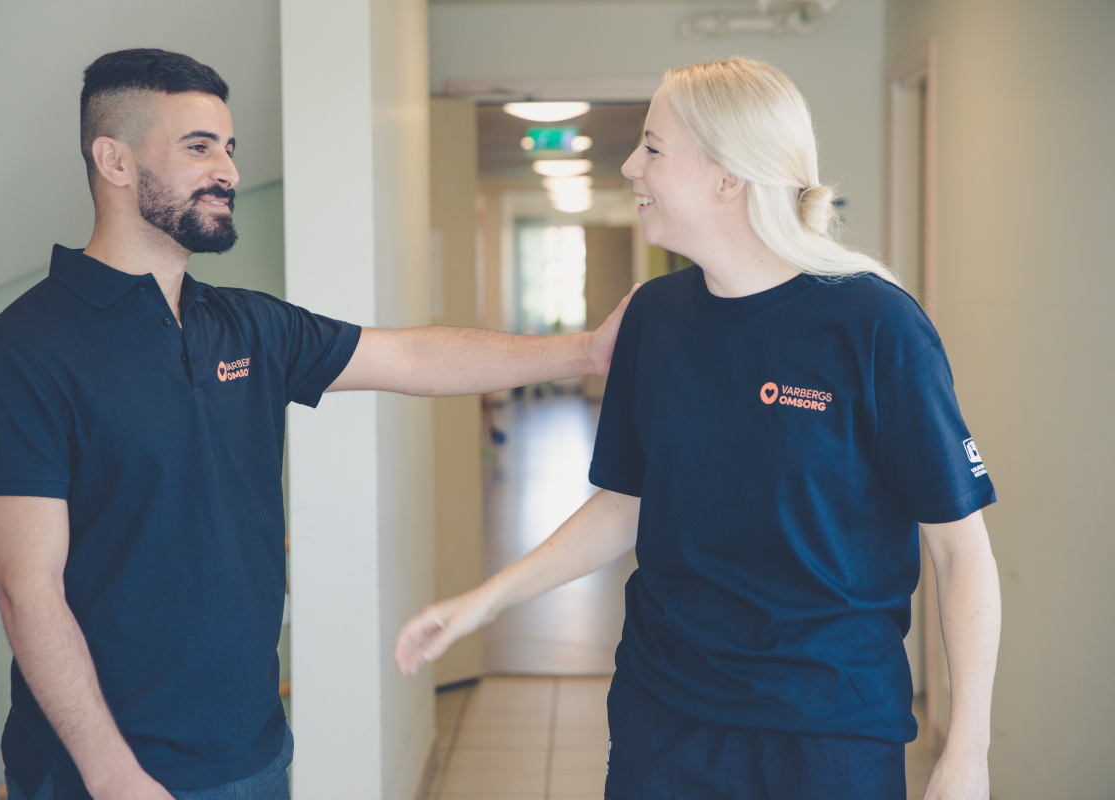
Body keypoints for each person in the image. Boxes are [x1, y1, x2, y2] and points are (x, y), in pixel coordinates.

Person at [0, 48, 633, 800]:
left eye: (230, 147)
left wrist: (585, 351)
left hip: (254, 752)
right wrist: (112, 776)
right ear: (114, 161)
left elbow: (415, 357)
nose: (229, 171)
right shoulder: (21, 355)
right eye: (199, 147)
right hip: (104, 773)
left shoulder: (247, 326)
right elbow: (28, 592)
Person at [395, 57, 1001, 800]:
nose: (630, 165)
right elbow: (627, 503)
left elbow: (960, 549)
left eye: (652, 147)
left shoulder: (877, 326)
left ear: (728, 177)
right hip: (664, 718)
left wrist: (967, 751)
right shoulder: (655, 317)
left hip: (826, 729)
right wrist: (485, 601)